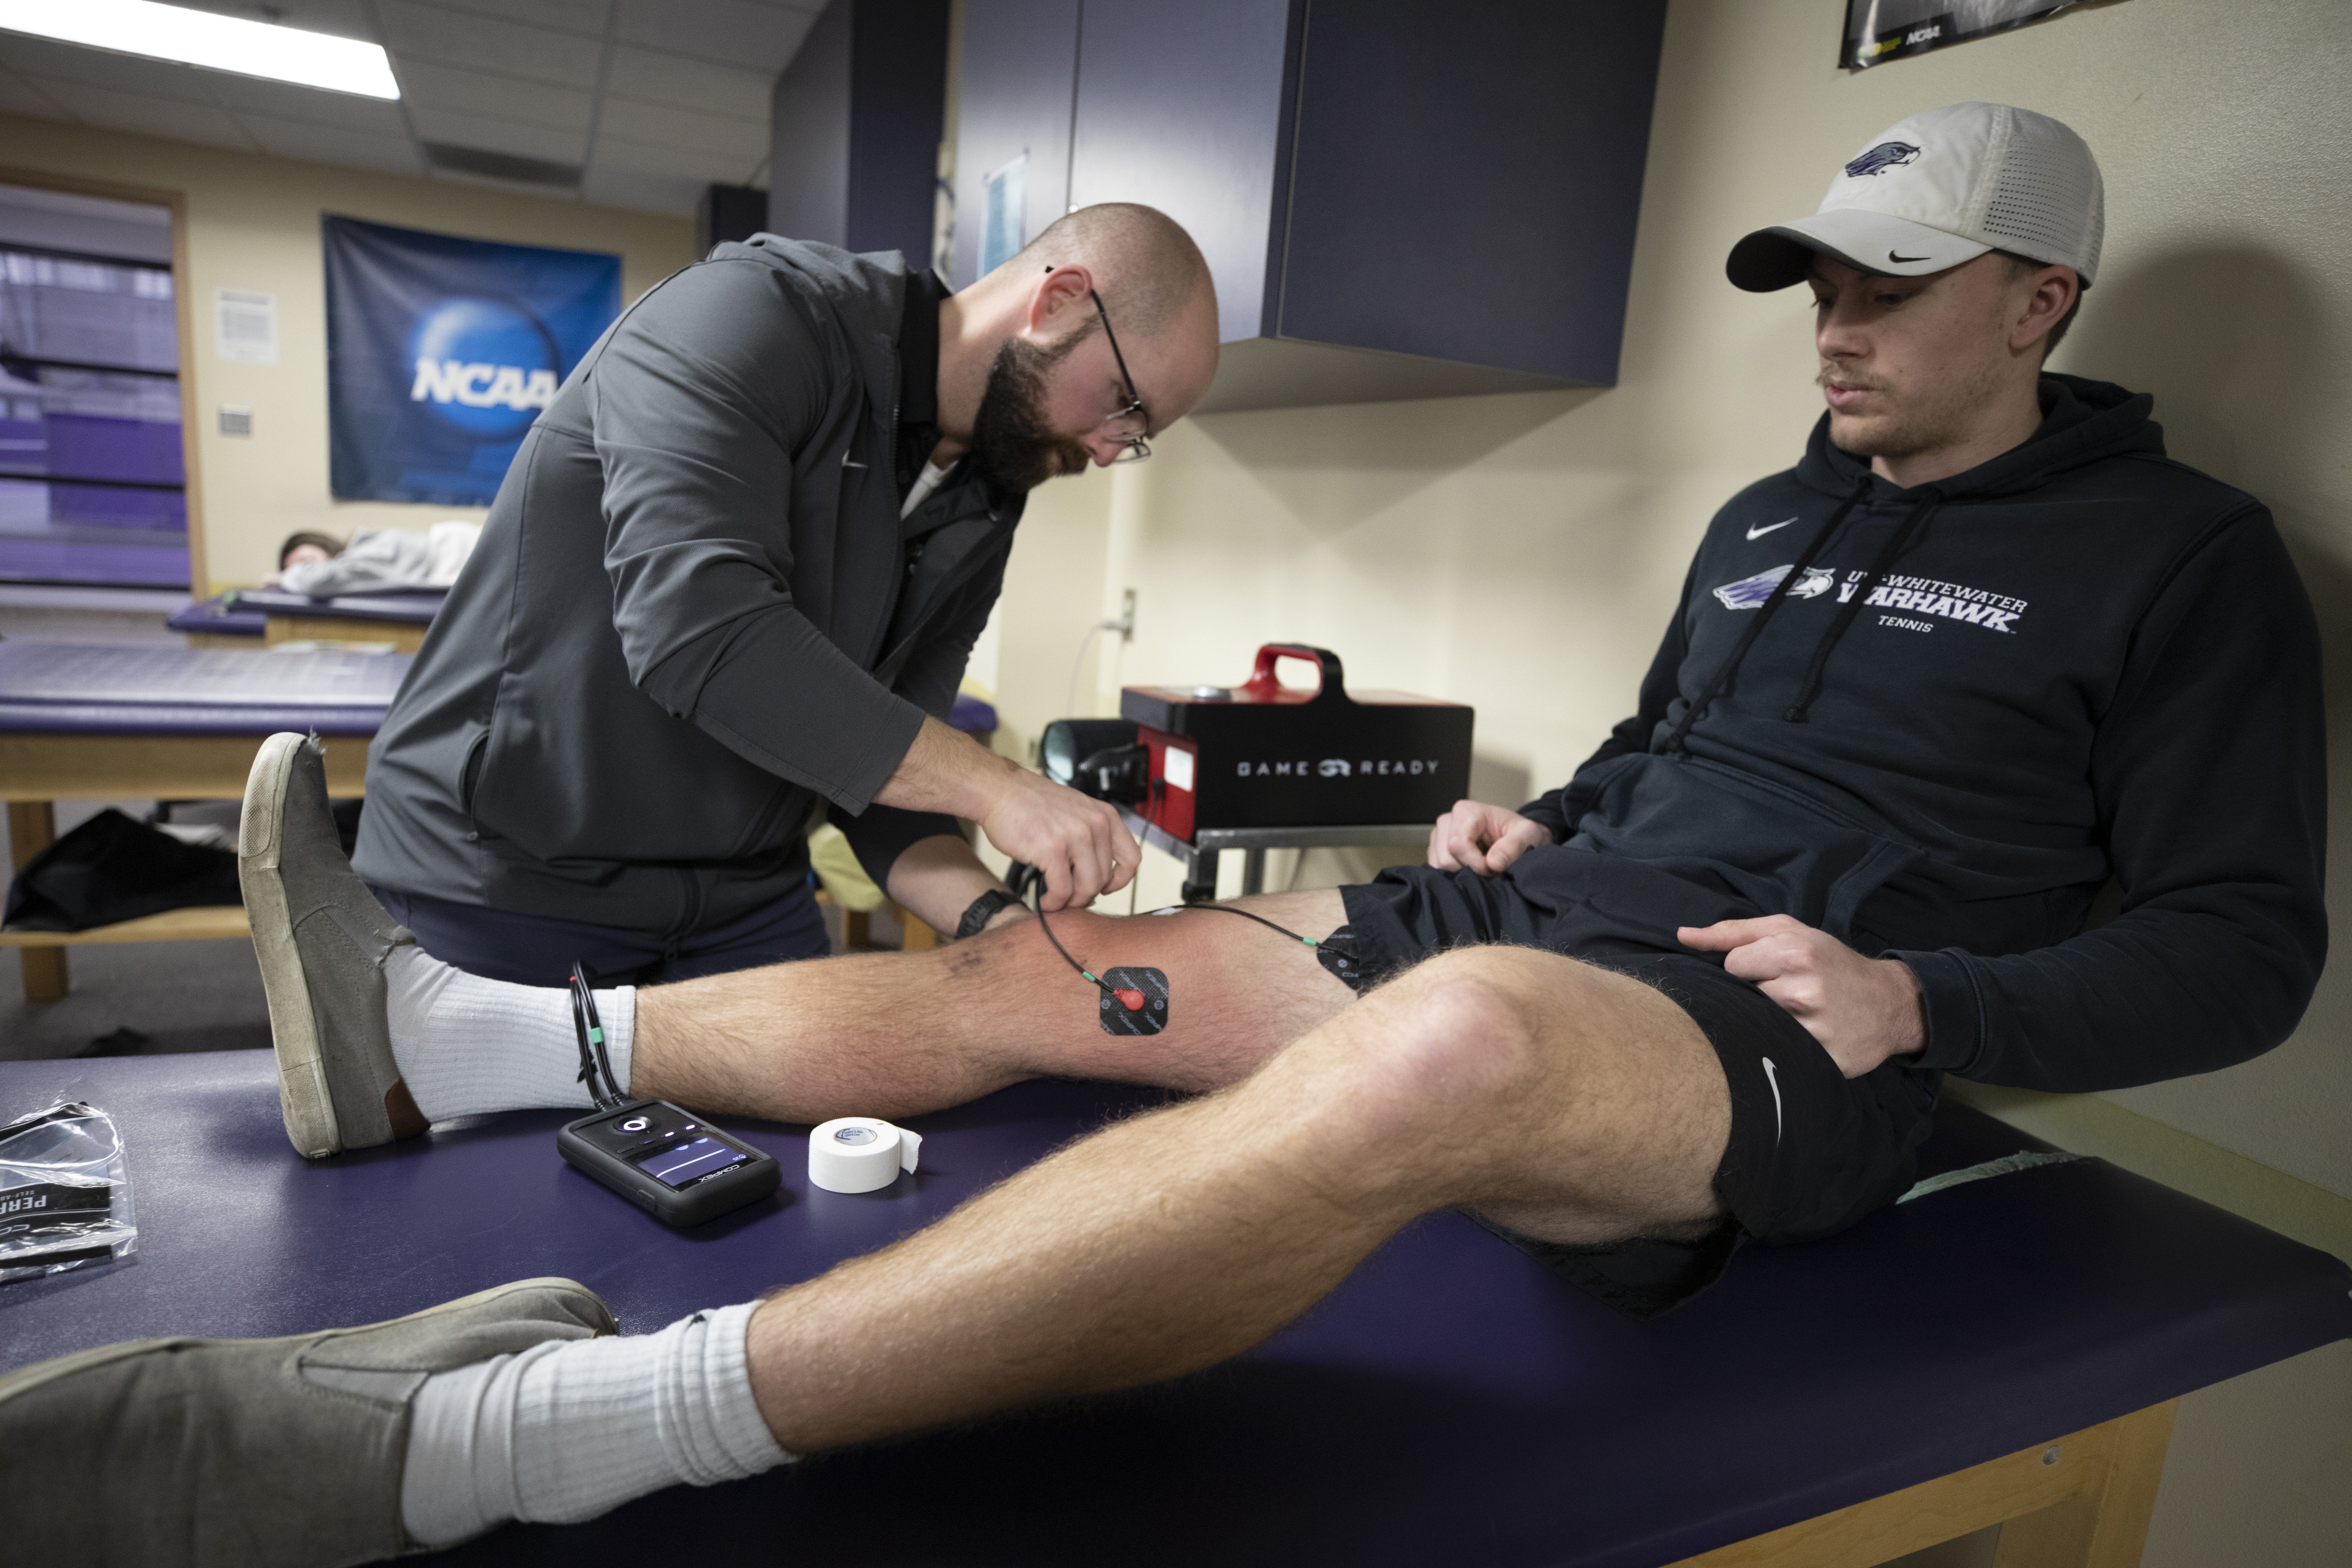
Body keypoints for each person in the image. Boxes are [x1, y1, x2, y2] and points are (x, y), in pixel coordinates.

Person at [3, 104, 2324, 1563]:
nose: (1835, 325)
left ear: (2038, 301)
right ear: (1055, 308)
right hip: (1563, 913)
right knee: (1048, 976)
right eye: (1818, 280)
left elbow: (2241, 948)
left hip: (1784, 1028)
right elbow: (1659, 757)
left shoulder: (2184, 557)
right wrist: (1553, 815)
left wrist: (1937, 996)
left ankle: (513, 1449)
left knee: (1438, 1056)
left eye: (1887, 290)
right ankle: (439, 1048)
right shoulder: (1755, 521)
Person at [350, 204, 1221, 989]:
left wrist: (1011, 931)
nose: (1110, 452)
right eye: (1123, 404)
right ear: (1060, 299)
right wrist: (1000, 788)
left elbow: (879, 777)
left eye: (1136, 439)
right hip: (511, 874)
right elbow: (699, 630)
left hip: (742, 899)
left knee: (814, 1162)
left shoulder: (989, 493)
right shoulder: (749, 315)